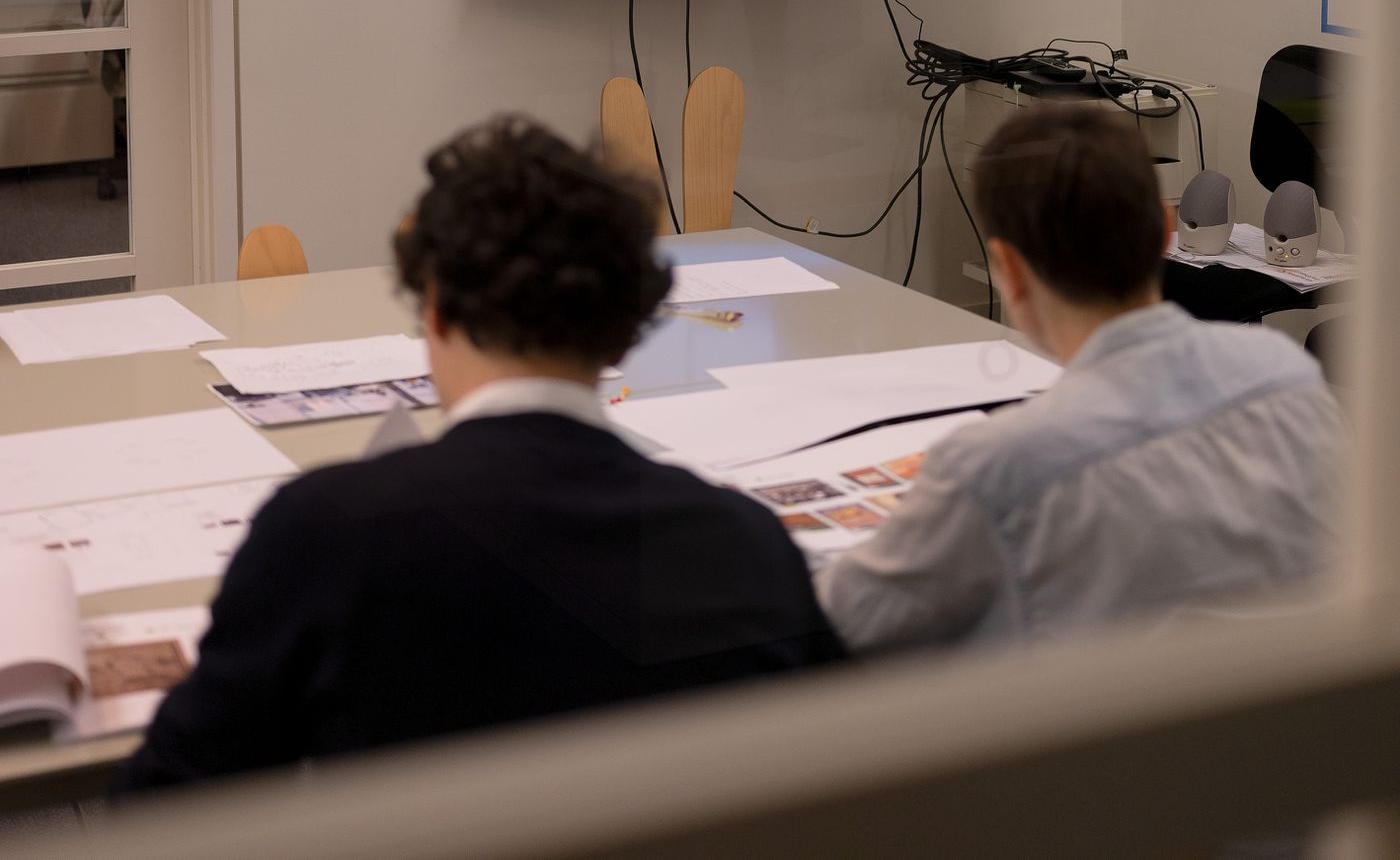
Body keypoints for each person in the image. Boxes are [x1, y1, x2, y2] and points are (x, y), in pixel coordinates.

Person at [117, 119, 841, 792]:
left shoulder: (327, 533)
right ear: (626, 336)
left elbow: (172, 801)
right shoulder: (748, 546)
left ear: (434, 310)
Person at [817, 103, 1347, 651]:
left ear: (1009, 271)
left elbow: (848, 622)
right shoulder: (1285, 375)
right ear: (1164, 231)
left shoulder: (998, 465)